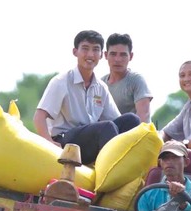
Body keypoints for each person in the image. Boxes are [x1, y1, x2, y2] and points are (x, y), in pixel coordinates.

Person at [33, 30, 141, 165]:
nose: (90, 54)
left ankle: (131, 165)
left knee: (132, 120)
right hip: (66, 140)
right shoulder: (62, 81)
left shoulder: (100, 87)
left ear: (101, 55)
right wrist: (49, 143)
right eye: (85, 49)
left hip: (91, 137)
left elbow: (116, 120)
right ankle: (112, 167)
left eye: (95, 50)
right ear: (75, 52)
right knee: (106, 128)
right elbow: (39, 117)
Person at [101, 33, 153, 123]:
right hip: (107, 133)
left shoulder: (136, 80)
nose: (117, 59)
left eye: (123, 55)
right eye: (113, 54)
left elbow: (143, 118)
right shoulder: (100, 84)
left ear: (131, 56)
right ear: (105, 55)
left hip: (134, 133)